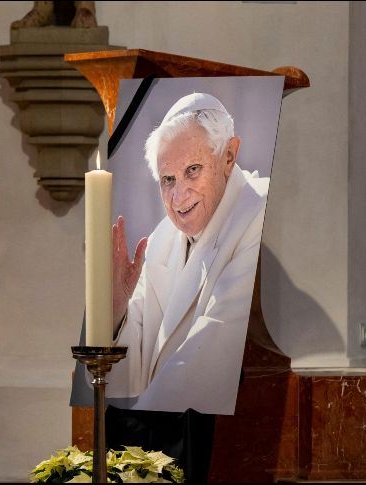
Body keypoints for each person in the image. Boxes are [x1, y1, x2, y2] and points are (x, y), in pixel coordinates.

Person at [105, 92, 269, 482]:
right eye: (168, 180)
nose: (179, 197)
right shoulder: (162, 238)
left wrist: (132, 447)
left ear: (229, 156)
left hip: (209, 438)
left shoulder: (257, 210)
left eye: (193, 170)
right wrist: (116, 310)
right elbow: (130, 369)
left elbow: (212, 343)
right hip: (159, 432)